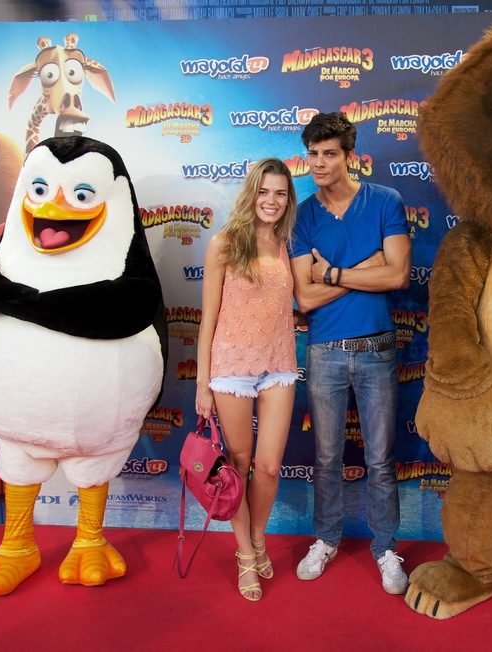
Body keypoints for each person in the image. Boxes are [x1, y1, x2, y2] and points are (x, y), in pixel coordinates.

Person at [288, 112, 411, 594]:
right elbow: (305, 298)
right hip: (325, 352)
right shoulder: (302, 214)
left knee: (381, 459)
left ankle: (385, 549)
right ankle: (326, 539)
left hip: (378, 349)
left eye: (329, 154)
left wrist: (333, 273)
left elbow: (398, 276)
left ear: (350, 156)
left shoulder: (385, 201)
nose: (319, 163)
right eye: (312, 154)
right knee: (325, 457)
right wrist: (367, 266)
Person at [195, 158, 298, 602]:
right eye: (264, 191)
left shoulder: (286, 244)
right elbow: (208, 319)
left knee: (269, 467)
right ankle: (243, 555)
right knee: (237, 467)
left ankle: (258, 537)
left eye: (280, 193)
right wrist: (203, 383)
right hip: (230, 368)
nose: (271, 201)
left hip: (279, 363)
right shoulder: (224, 243)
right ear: (251, 193)